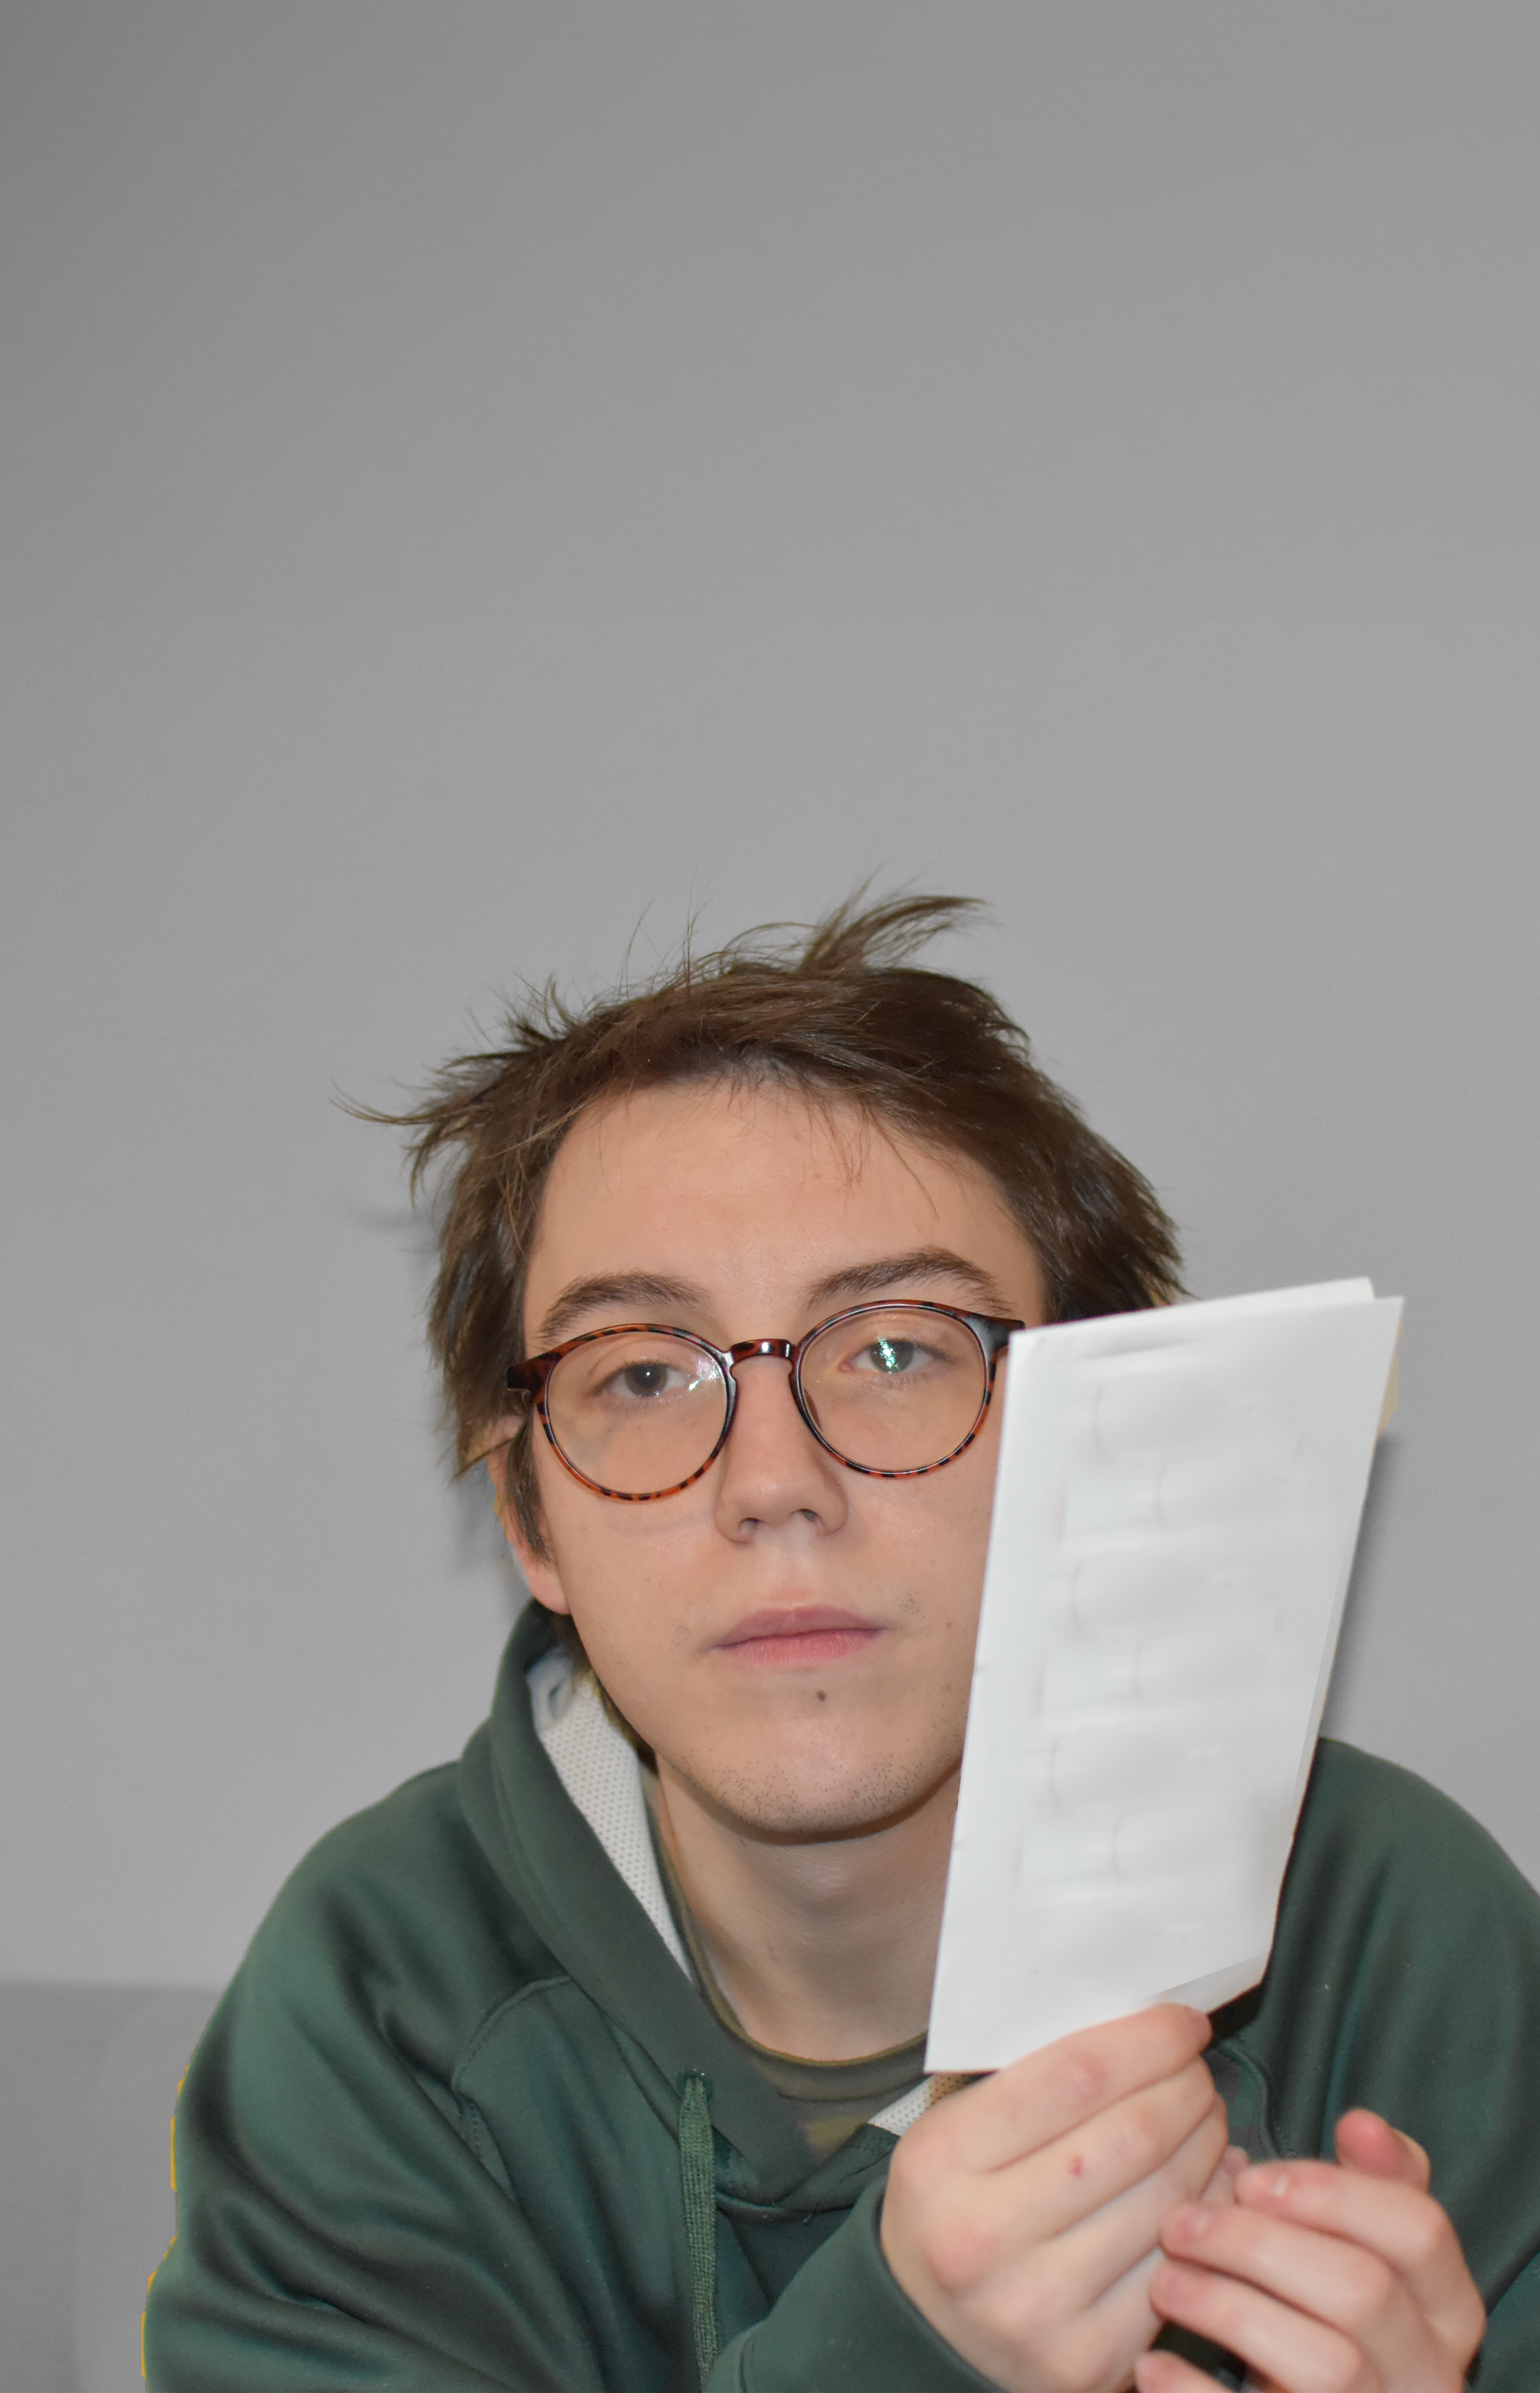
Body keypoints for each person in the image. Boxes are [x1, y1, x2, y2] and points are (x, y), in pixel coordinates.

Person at [144, 896, 1540, 2391]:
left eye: (893, 1349)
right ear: (531, 1517)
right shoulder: (381, 1999)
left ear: (1096, 1443)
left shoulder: (1393, 1938)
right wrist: (895, 2351)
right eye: (640, 1375)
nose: (771, 1484)